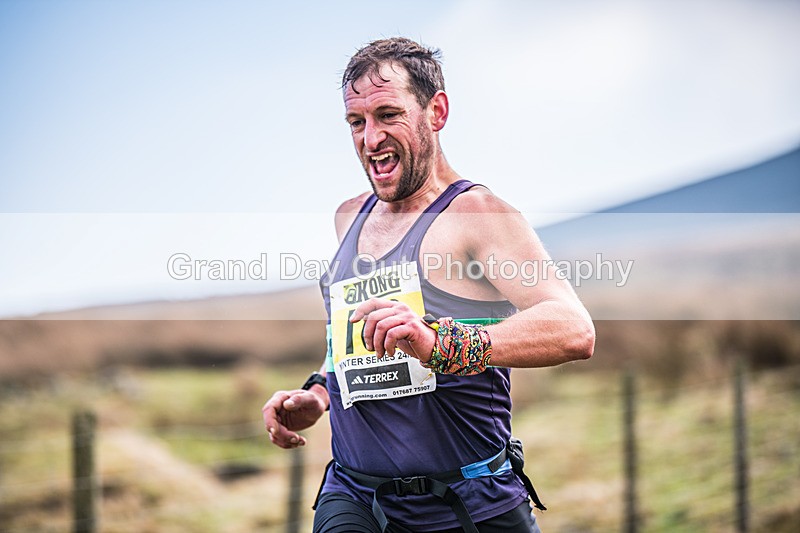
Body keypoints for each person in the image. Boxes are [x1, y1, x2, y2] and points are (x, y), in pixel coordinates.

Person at [262, 37, 595, 533]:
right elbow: (352, 340)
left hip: (467, 502)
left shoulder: (478, 214)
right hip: (356, 497)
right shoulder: (349, 216)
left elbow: (572, 329)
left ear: (435, 111)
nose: (370, 138)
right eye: (357, 122)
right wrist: (320, 392)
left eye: (388, 114)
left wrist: (439, 342)